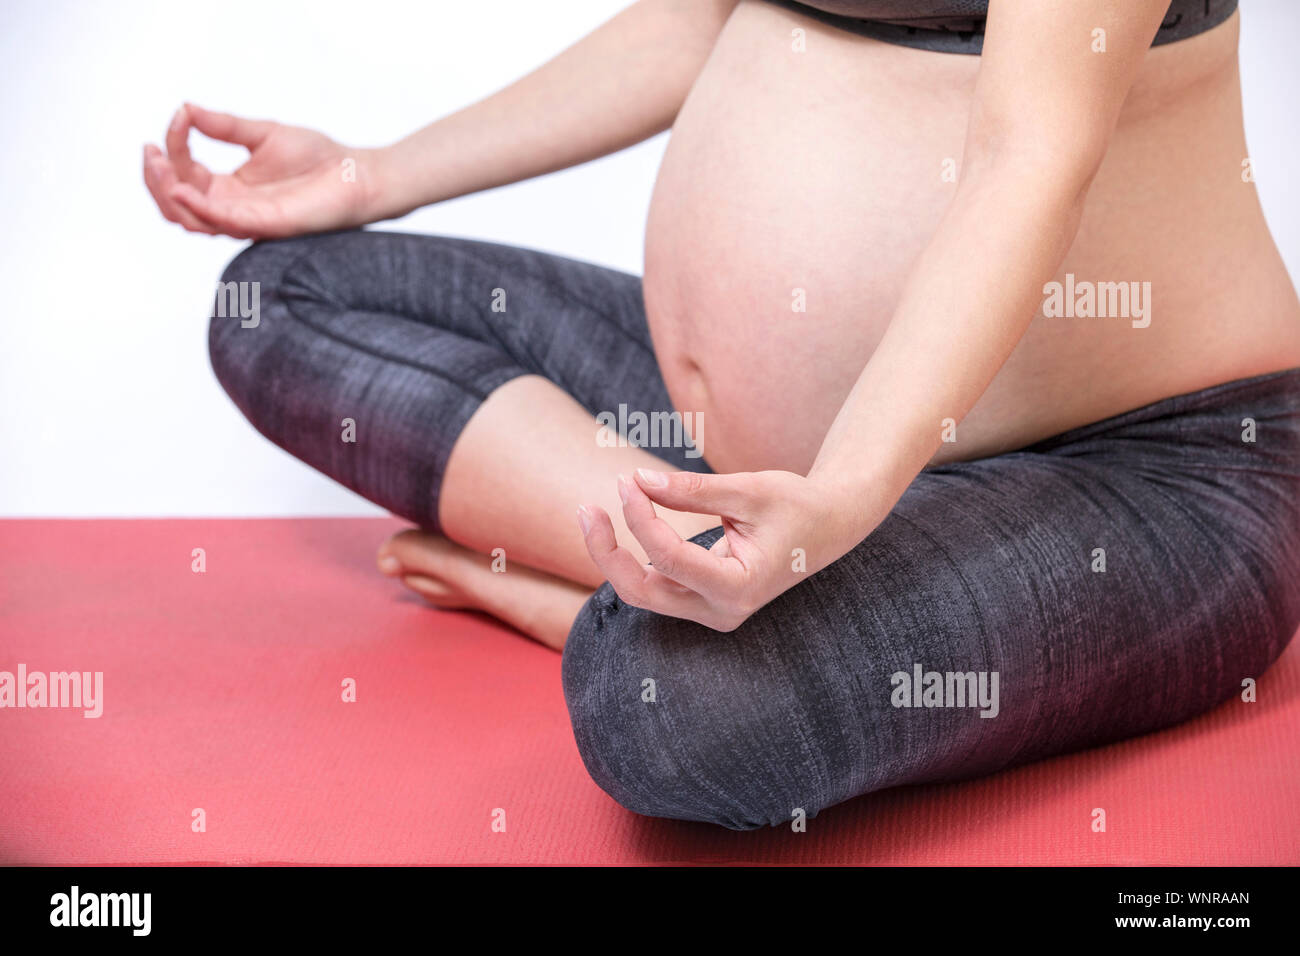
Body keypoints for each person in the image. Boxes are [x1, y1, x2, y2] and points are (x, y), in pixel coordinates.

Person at [144, 0, 1300, 830]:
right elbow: (689, 19)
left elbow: (1028, 156)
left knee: (676, 708)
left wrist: (845, 495)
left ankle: (604, 596)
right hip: (772, 464)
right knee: (281, 295)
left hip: (1140, 475)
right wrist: (368, 175)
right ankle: (680, 565)